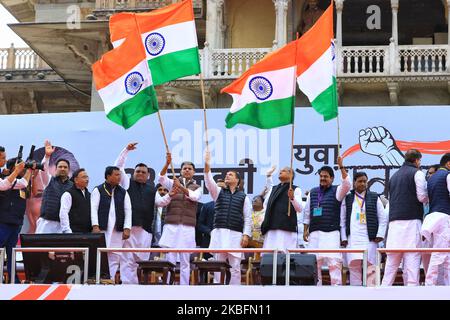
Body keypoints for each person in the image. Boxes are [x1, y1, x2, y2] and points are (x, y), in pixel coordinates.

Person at [114, 143, 162, 284]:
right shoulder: (126, 183)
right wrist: (126, 151)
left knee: (141, 260)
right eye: (137, 171)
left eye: (143, 172)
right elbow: (118, 167)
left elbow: (162, 202)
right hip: (129, 229)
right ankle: (128, 287)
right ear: (133, 173)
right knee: (127, 259)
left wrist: (170, 195)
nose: (140, 173)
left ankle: (139, 287)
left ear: (148, 175)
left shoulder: (152, 189)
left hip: (145, 230)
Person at [382, 149, 429, 286]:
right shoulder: (417, 173)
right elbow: (422, 197)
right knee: (412, 263)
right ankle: (411, 295)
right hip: (411, 222)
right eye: (420, 161)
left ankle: (383, 294)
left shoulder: (394, 176)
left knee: (390, 267)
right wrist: (429, 197)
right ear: (416, 160)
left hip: (394, 225)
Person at [204, 151, 252, 285]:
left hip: (235, 235)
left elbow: (248, 218)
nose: (227, 176)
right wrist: (207, 163)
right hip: (219, 233)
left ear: (237, 180)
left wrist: (246, 235)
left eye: (230, 174)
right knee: (218, 265)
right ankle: (217, 290)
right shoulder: (218, 192)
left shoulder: (244, 197)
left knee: (235, 267)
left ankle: (235, 291)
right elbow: (208, 180)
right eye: (226, 174)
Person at [303, 156, 351, 285]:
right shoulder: (313, 192)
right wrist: (305, 229)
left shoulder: (337, 191)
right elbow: (307, 212)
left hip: (331, 233)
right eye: (321, 176)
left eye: (326, 176)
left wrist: (341, 166)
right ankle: (315, 291)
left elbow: (347, 184)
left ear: (332, 178)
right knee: (313, 264)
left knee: (334, 263)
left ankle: (336, 292)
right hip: (314, 234)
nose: (323, 178)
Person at [158, 153, 202, 285]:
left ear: (193, 172)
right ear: (181, 171)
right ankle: (167, 284)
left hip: (187, 227)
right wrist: (167, 164)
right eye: (184, 168)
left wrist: (181, 187)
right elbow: (161, 178)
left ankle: (184, 286)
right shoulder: (172, 183)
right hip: (172, 225)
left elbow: (194, 197)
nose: (187, 170)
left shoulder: (197, 187)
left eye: (190, 168)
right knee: (170, 257)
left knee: (185, 258)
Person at [341, 172, 388, 286]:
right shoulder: (347, 198)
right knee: (354, 269)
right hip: (353, 239)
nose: (363, 183)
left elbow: (383, 218)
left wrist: (380, 234)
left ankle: (372, 296)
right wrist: (343, 237)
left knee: (371, 268)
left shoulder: (374, 197)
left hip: (370, 239)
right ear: (354, 183)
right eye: (360, 181)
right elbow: (342, 220)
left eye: (364, 181)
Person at [91, 166, 132, 283]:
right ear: (108, 176)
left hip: (117, 230)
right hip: (102, 229)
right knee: (101, 254)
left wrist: (127, 228)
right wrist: (95, 226)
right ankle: (99, 280)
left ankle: (110, 280)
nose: (119, 177)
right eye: (116, 175)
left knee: (115, 255)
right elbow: (93, 209)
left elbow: (128, 210)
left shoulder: (123, 192)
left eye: (120, 175)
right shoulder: (98, 190)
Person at [0, 157, 31, 283]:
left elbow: (25, 183)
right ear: (14, 167)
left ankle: (14, 280)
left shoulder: (19, 183)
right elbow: (18, 183)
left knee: (12, 253)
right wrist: (18, 172)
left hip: (16, 223)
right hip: (3, 222)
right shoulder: (6, 180)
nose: (22, 169)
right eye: (20, 166)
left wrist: (30, 169)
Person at [421, 153, 450, 285]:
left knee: (444, 254)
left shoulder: (431, 178)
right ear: (448, 164)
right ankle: (430, 284)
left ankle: (442, 284)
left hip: (433, 217)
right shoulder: (447, 175)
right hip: (444, 217)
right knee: (441, 253)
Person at [261, 167, 303, 250]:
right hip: (271, 228)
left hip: (286, 229)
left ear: (291, 175)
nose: (280, 172)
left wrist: (292, 198)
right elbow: (269, 190)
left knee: (284, 256)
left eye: (283, 171)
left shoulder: (295, 189)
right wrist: (269, 175)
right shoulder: (274, 189)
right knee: (269, 256)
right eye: (280, 171)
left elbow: (299, 209)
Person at [36, 141, 73, 233]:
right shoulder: (49, 181)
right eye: (60, 167)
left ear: (68, 170)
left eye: (65, 167)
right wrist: (47, 156)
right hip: (46, 223)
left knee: (61, 248)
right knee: (41, 247)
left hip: (64, 225)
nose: (62, 169)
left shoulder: (73, 186)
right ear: (56, 169)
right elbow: (43, 170)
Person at [59, 168, 91, 234]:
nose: (87, 179)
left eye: (87, 177)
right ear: (76, 180)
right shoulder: (68, 194)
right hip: (73, 233)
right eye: (84, 177)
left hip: (88, 234)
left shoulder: (90, 195)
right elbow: (63, 213)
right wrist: (67, 230)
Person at [152, 183, 168, 248]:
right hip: (152, 239)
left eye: (165, 190)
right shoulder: (151, 204)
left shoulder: (171, 206)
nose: (162, 192)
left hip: (165, 239)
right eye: (160, 190)